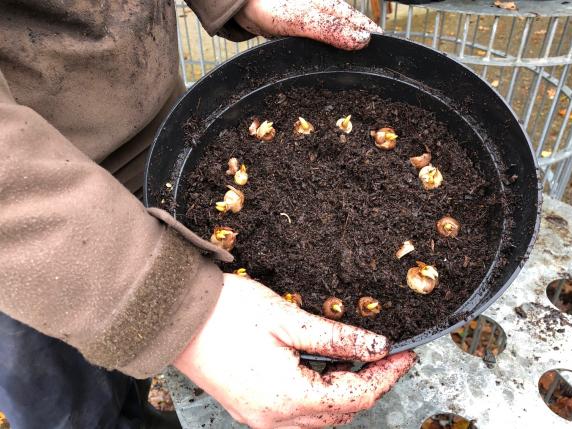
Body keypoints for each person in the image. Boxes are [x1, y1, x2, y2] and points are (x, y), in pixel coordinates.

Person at [0, 1, 416, 428]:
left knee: (136, 366)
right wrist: (174, 314)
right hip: (27, 239)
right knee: (68, 409)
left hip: (155, 138)